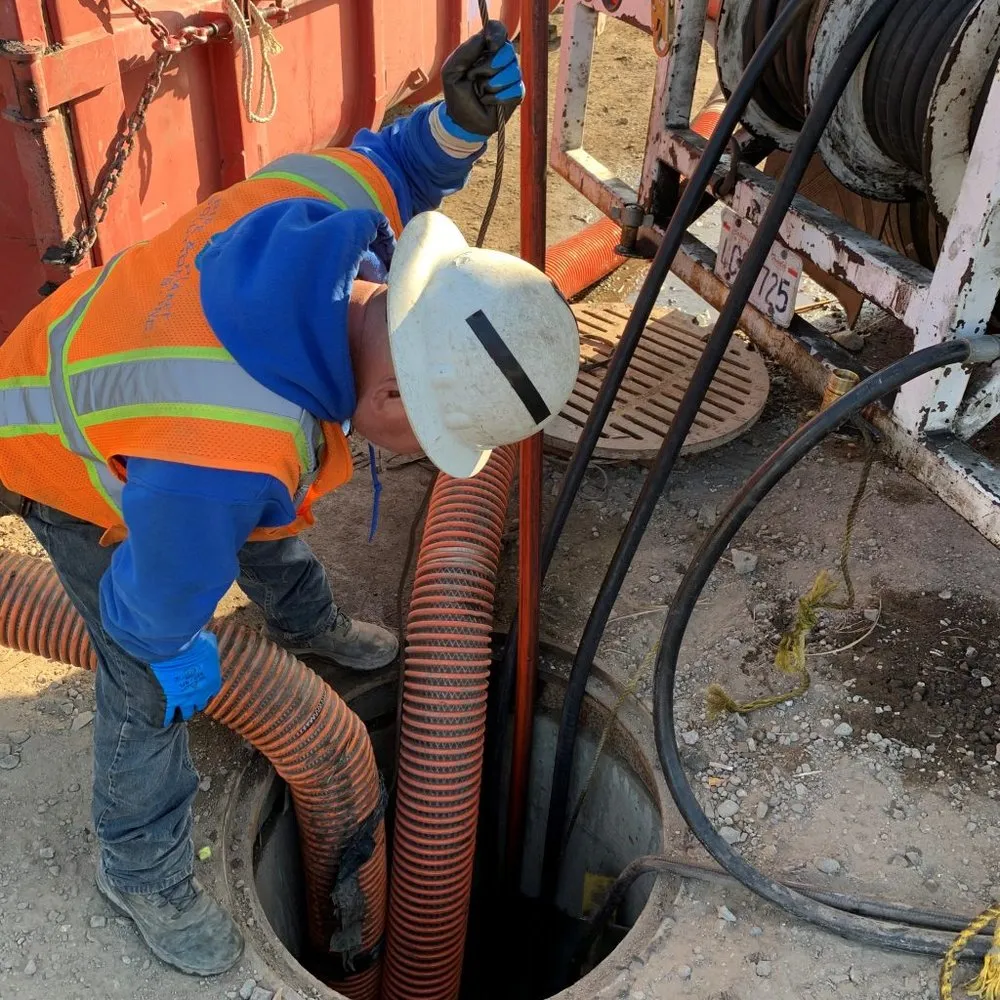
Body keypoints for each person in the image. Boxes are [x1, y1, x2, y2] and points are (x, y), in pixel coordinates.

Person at [0, 22, 580, 977]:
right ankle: (138, 865)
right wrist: (177, 649)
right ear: (392, 395)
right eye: (426, 440)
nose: (415, 457)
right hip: (64, 451)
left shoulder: (337, 224)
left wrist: (459, 127)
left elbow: (393, 161)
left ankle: (306, 623)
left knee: (272, 493)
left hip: (121, 370)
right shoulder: (225, 450)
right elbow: (146, 611)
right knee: (144, 676)